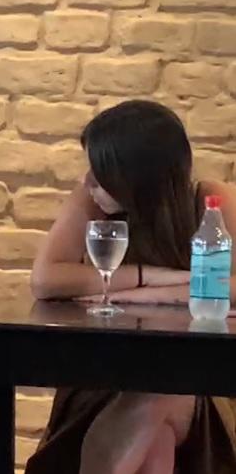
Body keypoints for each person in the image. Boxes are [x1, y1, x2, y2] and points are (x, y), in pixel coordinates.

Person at [27, 100, 236, 474]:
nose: (87, 181)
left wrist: (144, 295)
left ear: (135, 176)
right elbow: (45, 279)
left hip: (199, 379)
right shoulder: (92, 201)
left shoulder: (210, 202)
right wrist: (151, 276)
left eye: (100, 171)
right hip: (105, 376)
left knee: (160, 389)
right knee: (156, 438)